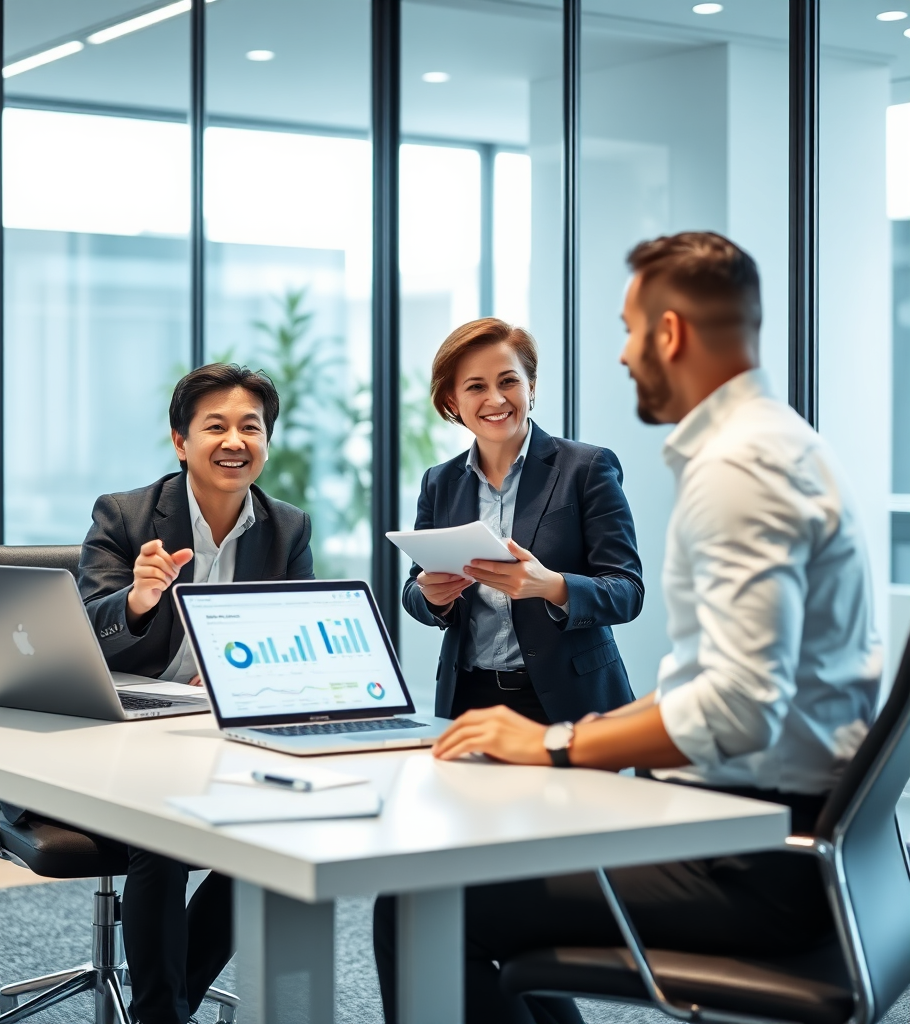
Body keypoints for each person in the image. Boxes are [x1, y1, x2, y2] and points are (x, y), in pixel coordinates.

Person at [373, 233, 883, 1023]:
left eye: (628, 329)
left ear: (669, 333)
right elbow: (716, 689)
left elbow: (736, 708)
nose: (622, 355)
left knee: (420, 907)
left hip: (751, 854)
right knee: (456, 891)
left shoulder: (737, 469)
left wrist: (551, 743)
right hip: (769, 829)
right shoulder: (779, 444)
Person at [78, 362, 314, 1024]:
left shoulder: (287, 527)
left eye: (252, 426)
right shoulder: (125, 515)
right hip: (125, 726)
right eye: (216, 426)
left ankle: (169, 1008)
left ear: (267, 442)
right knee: (164, 834)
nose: (235, 440)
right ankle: (160, 1012)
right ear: (181, 441)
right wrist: (140, 599)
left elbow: (294, 638)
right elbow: (86, 630)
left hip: (220, 733)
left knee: (271, 840)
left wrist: (246, 674)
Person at [404, 317, 644, 728]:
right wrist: (431, 597)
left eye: (508, 381)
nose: (495, 399)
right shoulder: (440, 482)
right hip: (469, 700)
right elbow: (414, 590)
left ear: (531, 387)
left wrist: (551, 586)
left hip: (570, 704)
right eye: (476, 386)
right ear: (452, 400)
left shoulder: (586, 468)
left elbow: (628, 591)